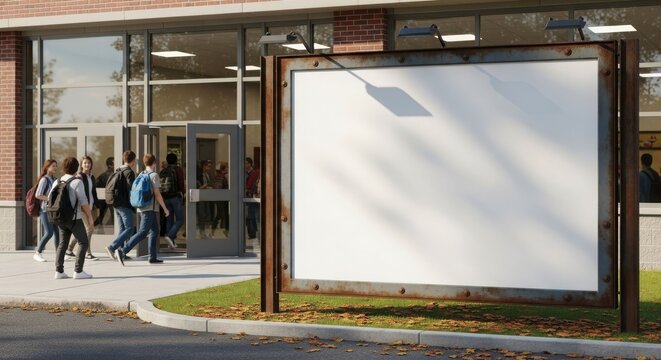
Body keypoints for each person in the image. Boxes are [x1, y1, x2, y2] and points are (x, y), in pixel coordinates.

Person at [114, 153, 170, 265]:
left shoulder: (140, 174)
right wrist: (165, 208)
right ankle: (123, 251)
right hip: (149, 208)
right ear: (154, 163)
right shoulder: (154, 175)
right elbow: (157, 194)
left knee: (154, 231)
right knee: (143, 232)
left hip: (142, 207)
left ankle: (152, 257)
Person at [53, 156, 95, 279]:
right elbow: (84, 202)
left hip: (61, 218)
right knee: (83, 242)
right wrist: (90, 217)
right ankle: (78, 271)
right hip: (74, 218)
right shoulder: (77, 182)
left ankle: (59, 272)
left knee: (62, 244)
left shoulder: (58, 181)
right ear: (77, 167)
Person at [65, 155, 99, 261]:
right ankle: (87, 253)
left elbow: (93, 192)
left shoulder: (92, 177)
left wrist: (97, 205)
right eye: (85, 163)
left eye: (88, 163)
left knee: (86, 229)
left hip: (91, 206)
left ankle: (69, 249)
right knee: (90, 229)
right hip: (82, 207)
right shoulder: (80, 176)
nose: (87, 164)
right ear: (81, 165)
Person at [105, 151, 137, 260]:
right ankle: (112, 247)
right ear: (133, 161)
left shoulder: (118, 170)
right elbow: (131, 190)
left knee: (123, 229)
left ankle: (122, 253)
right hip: (125, 204)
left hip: (116, 204)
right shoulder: (129, 172)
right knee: (129, 229)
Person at [33, 159, 59, 262]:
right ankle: (38, 253)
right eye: (53, 166)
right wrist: (50, 198)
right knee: (49, 233)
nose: (55, 168)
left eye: (56, 166)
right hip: (44, 210)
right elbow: (38, 195)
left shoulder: (55, 179)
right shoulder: (44, 180)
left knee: (57, 232)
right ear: (47, 167)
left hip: (53, 210)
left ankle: (59, 254)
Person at [162, 153, 185, 248]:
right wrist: (183, 193)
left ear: (167, 161)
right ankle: (170, 235)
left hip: (166, 198)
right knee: (180, 219)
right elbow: (181, 182)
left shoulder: (164, 170)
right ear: (176, 160)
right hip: (175, 197)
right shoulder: (178, 169)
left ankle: (170, 243)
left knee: (169, 219)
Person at [94, 157, 114, 226]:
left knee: (102, 215)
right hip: (107, 199)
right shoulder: (110, 175)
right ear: (109, 165)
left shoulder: (102, 175)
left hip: (104, 199)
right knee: (113, 216)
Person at [196, 159, 213, 238]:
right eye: (208, 166)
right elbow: (198, 187)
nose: (209, 168)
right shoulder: (199, 175)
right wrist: (204, 187)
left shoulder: (206, 174)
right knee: (201, 215)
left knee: (204, 215)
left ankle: (202, 232)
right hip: (199, 197)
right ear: (204, 166)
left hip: (205, 197)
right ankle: (201, 233)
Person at [211, 161, 229, 237]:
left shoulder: (217, 176)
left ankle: (225, 230)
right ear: (224, 169)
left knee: (222, 214)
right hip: (223, 197)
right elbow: (225, 186)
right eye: (227, 167)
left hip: (219, 197)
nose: (228, 168)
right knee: (222, 214)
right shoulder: (224, 176)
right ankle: (224, 229)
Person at [244, 157, 260, 241]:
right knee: (250, 215)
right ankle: (252, 232)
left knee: (251, 215)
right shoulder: (246, 173)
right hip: (248, 196)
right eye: (244, 163)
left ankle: (252, 233)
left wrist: (245, 189)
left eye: (247, 163)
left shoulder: (253, 173)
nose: (245, 165)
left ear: (250, 164)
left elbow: (249, 186)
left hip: (251, 197)